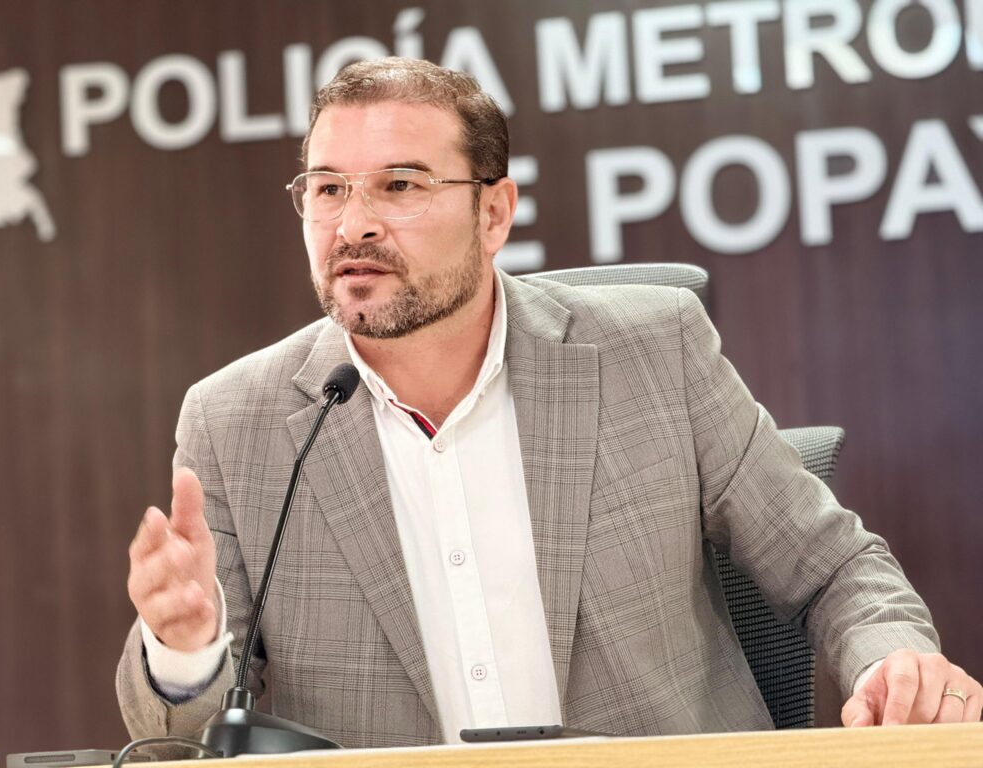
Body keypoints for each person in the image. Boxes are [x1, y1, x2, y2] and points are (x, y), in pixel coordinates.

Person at [117, 57, 981, 749]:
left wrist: (894, 660)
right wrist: (184, 651)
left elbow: (830, 566)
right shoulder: (235, 422)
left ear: (494, 213)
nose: (353, 225)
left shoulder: (655, 349)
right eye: (328, 188)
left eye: (401, 185)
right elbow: (173, 736)